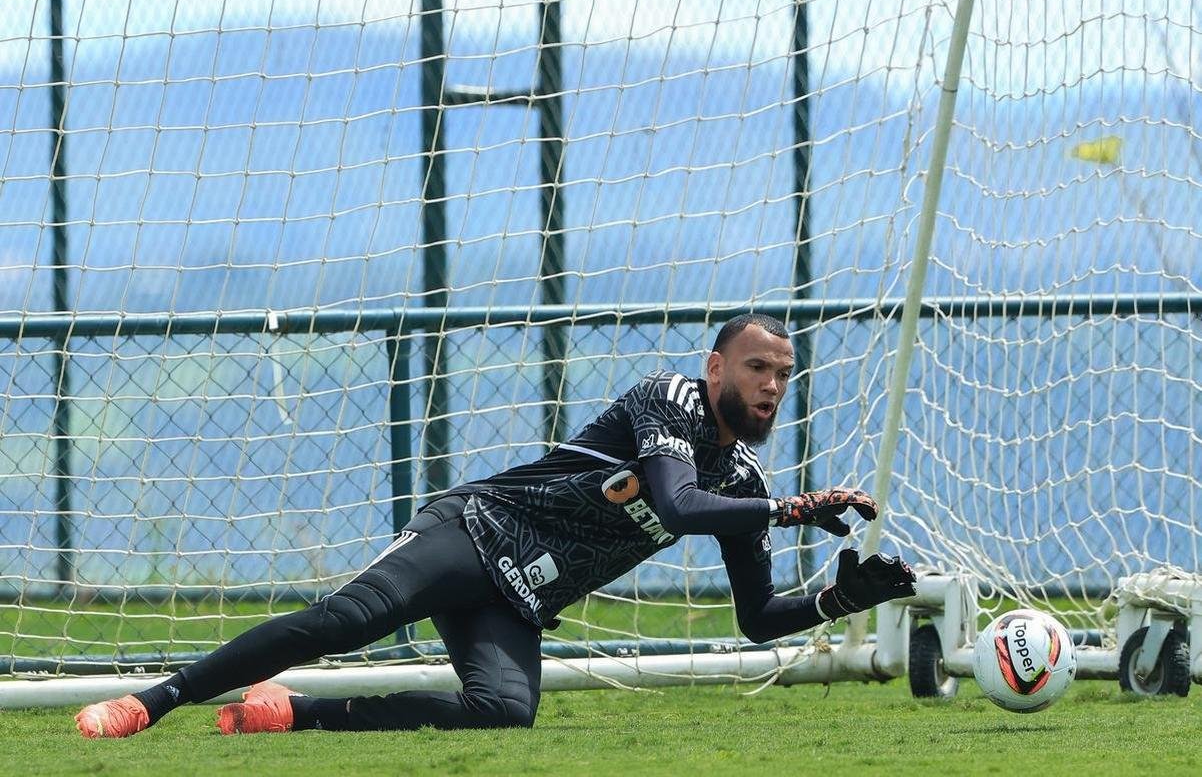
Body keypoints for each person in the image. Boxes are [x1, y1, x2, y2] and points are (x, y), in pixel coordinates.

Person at [74, 312, 916, 739]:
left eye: (783, 374)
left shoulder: (744, 478)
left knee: (503, 712)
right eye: (756, 366)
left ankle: (294, 714)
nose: (771, 384)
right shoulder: (673, 400)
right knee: (348, 621)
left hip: (516, 596)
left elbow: (757, 618)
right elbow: (673, 505)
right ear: (715, 366)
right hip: (475, 531)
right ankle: (155, 700)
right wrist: (792, 507)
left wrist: (836, 600)